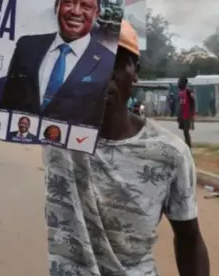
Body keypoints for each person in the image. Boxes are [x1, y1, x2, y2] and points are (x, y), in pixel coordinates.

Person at [43, 24, 210, 276]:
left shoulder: (169, 153)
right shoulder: (56, 135)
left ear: (135, 73)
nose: (103, 74)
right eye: (90, 60)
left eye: (116, 63)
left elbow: (189, 238)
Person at [0, 0, 115, 126]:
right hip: (21, 146)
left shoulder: (108, 63)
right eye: (69, 2)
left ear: (96, 14)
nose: (76, 12)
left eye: (86, 6)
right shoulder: (26, 46)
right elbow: (8, 102)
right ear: (56, 5)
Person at [177, 76, 195, 148]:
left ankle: (188, 146)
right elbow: (180, 105)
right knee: (184, 131)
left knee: (186, 131)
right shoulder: (180, 93)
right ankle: (187, 144)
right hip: (182, 115)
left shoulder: (188, 92)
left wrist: (192, 114)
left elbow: (192, 102)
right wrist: (178, 115)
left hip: (187, 115)